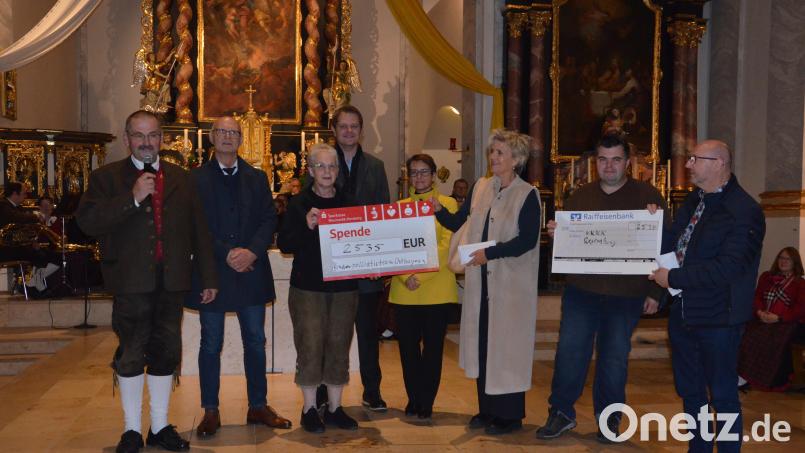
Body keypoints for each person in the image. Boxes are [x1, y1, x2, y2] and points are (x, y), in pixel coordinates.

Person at [75, 110, 218, 453]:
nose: (146, 142)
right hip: (130, 281)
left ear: (162, 138)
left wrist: (209, 277)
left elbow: (199, 231)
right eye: (139, 136)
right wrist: (133, 197)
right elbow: (88, 222)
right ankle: (130, 430)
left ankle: (159, 425)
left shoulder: (182, 178)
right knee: (131, 353)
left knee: (166, 353)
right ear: (127, 139)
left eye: (152, 135)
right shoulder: (105, 178)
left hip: (172, 281)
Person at [535, 133, 666, 442]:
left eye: (616, 159)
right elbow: (566, 254)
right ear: (596, 163)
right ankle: (562, 413)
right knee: (570, 353)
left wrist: (656, 292)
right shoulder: (579, 197)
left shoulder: (648, 199)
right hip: (582, 292)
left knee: (614, 358)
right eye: (603, 160)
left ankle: (609, 420)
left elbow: (663, 248)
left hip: (627, 296)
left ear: (628, 163)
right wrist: (559, 237)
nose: (609, 166)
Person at [650, 139, 765, 453]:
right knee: (691, 392)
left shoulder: (744, 210)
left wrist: (672, 277)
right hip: (685, 311)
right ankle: (697, 449)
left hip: (719, 318)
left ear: (718, 163)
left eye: (694, 159)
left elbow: (728, 268)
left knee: (724, 395)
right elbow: (676, 243)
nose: (687, 165)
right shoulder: (694, 200)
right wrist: (653, 222)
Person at [187, 117, 291, 438]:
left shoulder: (257, 178)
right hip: (213, 272)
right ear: (212, 137)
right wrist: (228, 253)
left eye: (233, 133)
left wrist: (252, 251)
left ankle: (258, 405)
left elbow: (268, 218)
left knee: (256, 342)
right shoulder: (196, 179)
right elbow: (195, 225)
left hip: (251, 270)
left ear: (241, 139)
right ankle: (210, 410)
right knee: (211, 343)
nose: (228, 137)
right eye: (222, 132)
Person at [432, 129, 541, 435]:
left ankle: (509, 416)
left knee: (506, 349)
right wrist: (440, 212)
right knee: (484, 347)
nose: (494, 158)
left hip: (510, 287)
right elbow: (460, 222)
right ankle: (486, 410)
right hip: (482, 286)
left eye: (501, 153)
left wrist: (489, 253)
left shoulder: (527, 194)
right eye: (492, 152)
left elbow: (528, 241)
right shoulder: (481, 187)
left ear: (516, 159)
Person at [277, 143, 360, 433]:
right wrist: (306, 225)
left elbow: (363, 242)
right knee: (310, 345)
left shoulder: (349, 202)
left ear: (338, 171)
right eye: (321, 166)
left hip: (344, 288)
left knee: (339, 345)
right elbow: (285, 244)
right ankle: (309, 408)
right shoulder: (298, 203)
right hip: (308, 288)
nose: (327, 172)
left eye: (332, 166)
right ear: (311, 170)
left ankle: (336, 408)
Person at [329, 105, 390, 411]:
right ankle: (331, 395)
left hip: (366, 266)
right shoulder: (322, 163)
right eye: (343, 126)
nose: (349, 131)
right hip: (335, 265)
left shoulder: (376, 167)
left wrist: (380, 262)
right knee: (335, 335)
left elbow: (383, 215)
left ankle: (372, 390)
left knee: (368, 334)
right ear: (335, 130)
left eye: (354, 126)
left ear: (361, 130)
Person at [389, 153, 458, 420]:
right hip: (405, 289)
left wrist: (421, 276)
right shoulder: (399, 205)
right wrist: (407, 276)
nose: (419, 177)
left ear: (433, 174)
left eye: (424, 172)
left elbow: (446, 245)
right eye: (414, 172)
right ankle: (413, 397)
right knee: (407, 350)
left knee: (432, 350)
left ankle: (426, 400)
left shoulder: (447, 203)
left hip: (436, 288)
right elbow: (392, 244)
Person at [738, 247, 805, 390]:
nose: (783, 261)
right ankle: (741, 375)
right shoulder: (766, 277)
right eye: (781, 258)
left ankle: (764, 378)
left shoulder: (800, 283)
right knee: (745, 332)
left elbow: (800, 309)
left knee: (770, 338)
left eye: (788, 259)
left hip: (786, 322)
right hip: (764, 317)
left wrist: (779, 318)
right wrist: (760, 312)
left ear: (795, 262)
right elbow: (757, 297)